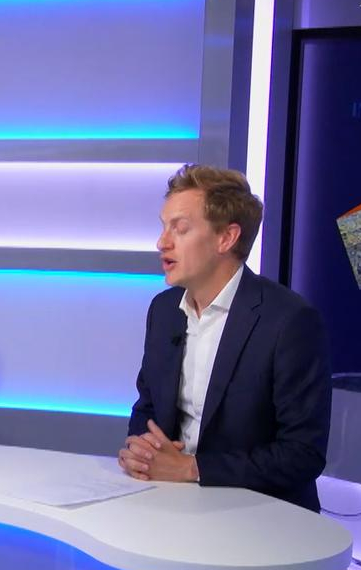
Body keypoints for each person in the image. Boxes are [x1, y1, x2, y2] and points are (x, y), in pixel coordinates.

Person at [117, 165, 331, 512]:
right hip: (172, 502)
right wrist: (142, 451)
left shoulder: (289, 321)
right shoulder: (164, 310)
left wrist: (192, 468)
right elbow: (148, 407)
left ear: (226, 238)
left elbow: (302, 453)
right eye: (163, 226)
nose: (162, 242)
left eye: (180, 228)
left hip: (261, 514)